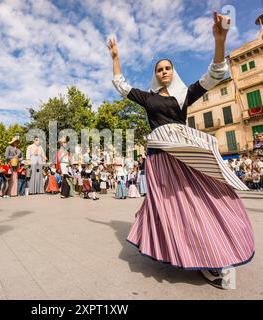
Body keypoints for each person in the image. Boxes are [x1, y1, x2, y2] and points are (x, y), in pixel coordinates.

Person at [108, 12, 254, 289]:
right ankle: (181, 251)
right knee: (168, 206)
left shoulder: (184, 94)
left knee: (198, 201)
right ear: (155, 74)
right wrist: (115, 58)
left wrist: (219, 39)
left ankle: (212, 255)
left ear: (173, 72)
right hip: (158, 158)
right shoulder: (147, 97)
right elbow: (121, 86)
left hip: (183, 154)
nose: (164, 71)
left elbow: (214, 75)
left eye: (168, 68)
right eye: (159, 69)